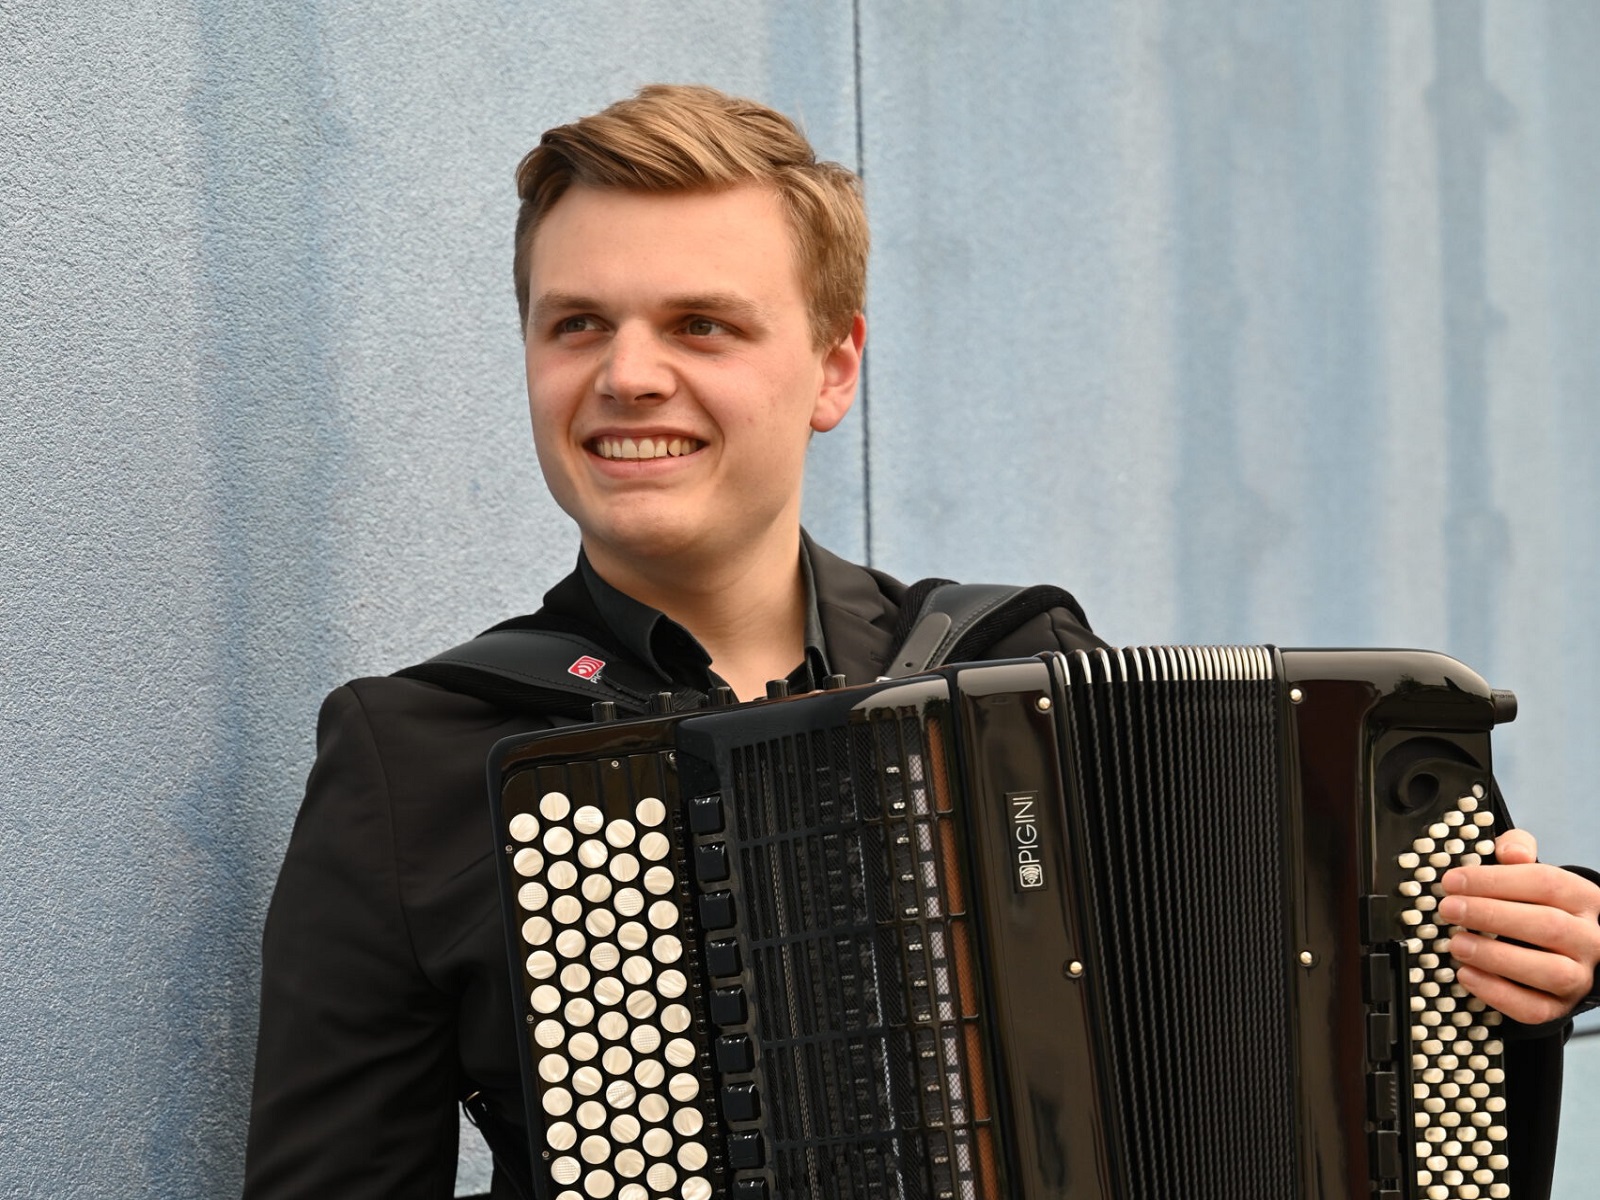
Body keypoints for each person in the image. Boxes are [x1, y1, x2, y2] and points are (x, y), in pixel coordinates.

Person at [242, 84, 1600, 1199]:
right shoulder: (415, 754)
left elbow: (1257, 1009)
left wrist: (1527, 950)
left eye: (702, 325)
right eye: (576, 325)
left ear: (834, 368)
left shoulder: (1015, 663)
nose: (629, 375)